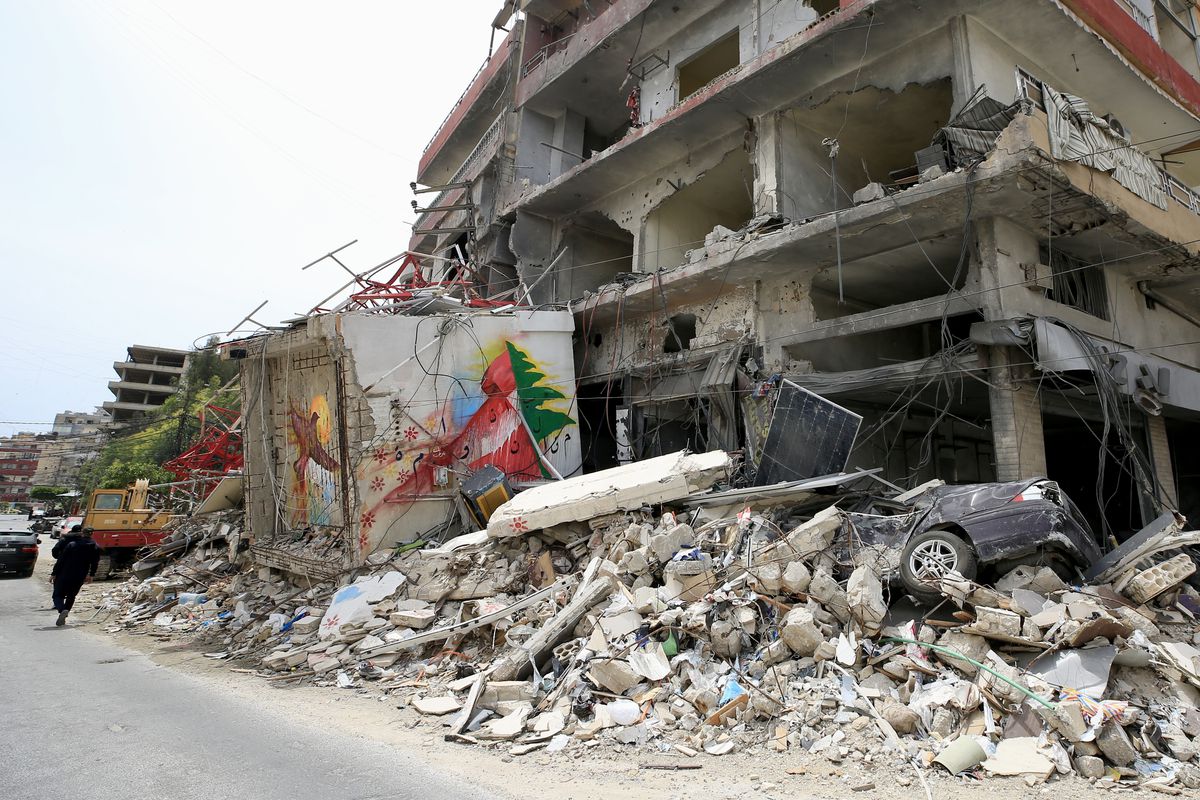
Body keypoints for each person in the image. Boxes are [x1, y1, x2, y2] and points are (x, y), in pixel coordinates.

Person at [50, 525, 101, 626]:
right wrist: (91, 575)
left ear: (82, 533)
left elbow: (61, 560)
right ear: (92, 534)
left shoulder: (72, 544)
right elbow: (95, 562)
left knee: (57, 594)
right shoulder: (95, 546)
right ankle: (66, 610)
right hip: (80, 575)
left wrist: (54, 573)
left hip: (64, 573)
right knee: (71, 595)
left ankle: (61, 610)